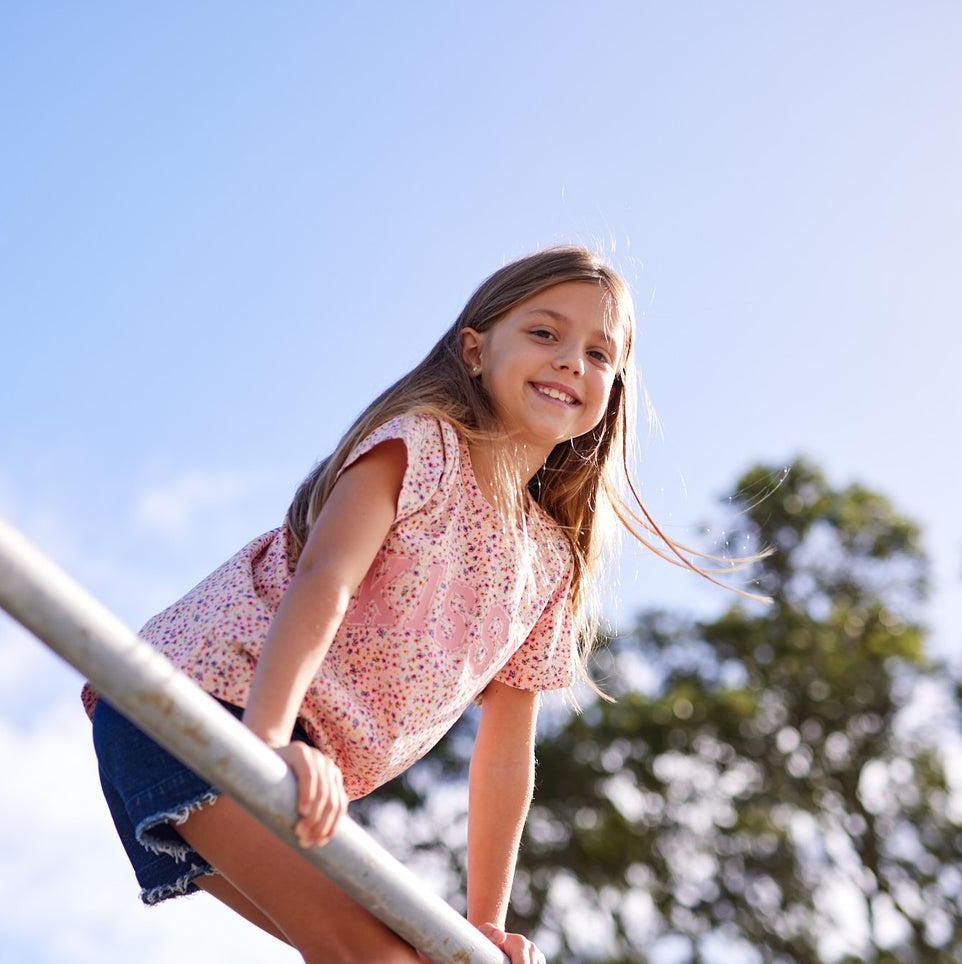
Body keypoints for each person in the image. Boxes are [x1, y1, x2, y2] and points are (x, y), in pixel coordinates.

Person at [85, 245, 744, 964]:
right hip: (199, 705)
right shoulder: (422, 446)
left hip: (275, 738)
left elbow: (503, 753)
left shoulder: (550, 561)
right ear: (473, 350)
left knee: (410, 959)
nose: (569, 362)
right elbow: (324, 581)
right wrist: (267, 744)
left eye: (597, 353)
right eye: (544, 334)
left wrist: (480, 927)